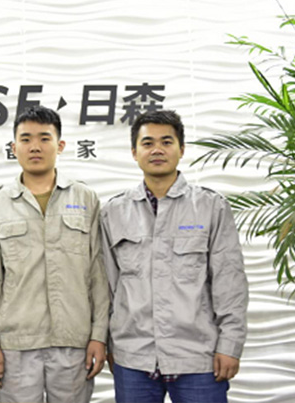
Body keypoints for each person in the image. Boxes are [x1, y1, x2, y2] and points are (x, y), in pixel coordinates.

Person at [101, 110, 249, 403]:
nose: (157, 150)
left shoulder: (211, 207)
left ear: (181, 149)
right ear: (134, 152)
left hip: (198, 357)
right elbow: (107, 287)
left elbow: (229, 282)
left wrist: (230, 344)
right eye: (147, 143)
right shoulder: (113, 212)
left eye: (166, 142)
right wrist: (108, 343)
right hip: (133, 357)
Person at [0, 105, 110, 403]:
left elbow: (99, 274)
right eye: (26, 139)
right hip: (16, 343)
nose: (35, 146)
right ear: (14, 147)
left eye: (44, 138)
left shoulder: (85, 198)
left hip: (74, 340)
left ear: (60, 145)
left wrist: (98, 335)